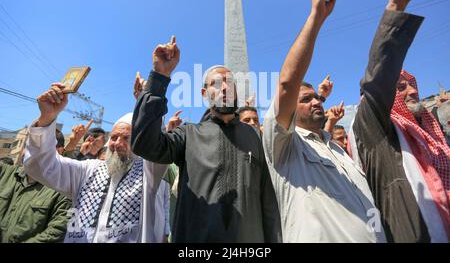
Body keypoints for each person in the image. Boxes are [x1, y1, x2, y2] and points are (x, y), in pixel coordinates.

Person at [262, 0, 386, 242]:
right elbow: (287, 83)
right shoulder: (285, 147)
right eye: (306, 99)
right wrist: (316, 19)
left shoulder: (340, 150)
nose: (317, 102)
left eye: (318, 98)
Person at [131, 36, 281, 243]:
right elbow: (144, 145)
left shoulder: (255, 136)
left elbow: (268, 203)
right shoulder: (188, 134)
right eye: (216, 84)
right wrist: (159, 77)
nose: (225, 88)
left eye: (229, 83)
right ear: (204, 93)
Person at [348, 0, 450, 243]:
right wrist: (396, 7)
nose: (412, 91)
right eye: (402, 87)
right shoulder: (377, 129)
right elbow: (379, 77)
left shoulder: (432, 130)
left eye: (413, 85)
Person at [23, 83, 168, 243]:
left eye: (127, 138)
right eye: (114, 137)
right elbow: (40, 166)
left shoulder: (149, 175)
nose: (117, 143)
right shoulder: (87, 170)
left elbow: (156, 145)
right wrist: (47, 118)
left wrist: (148, 102)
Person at [0, 132, 71, 243]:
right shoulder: (5, 173)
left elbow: (57, 231)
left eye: (38, 147)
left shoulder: (62, 190)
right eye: (28, 146)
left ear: (58, 151)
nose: (29, 152)